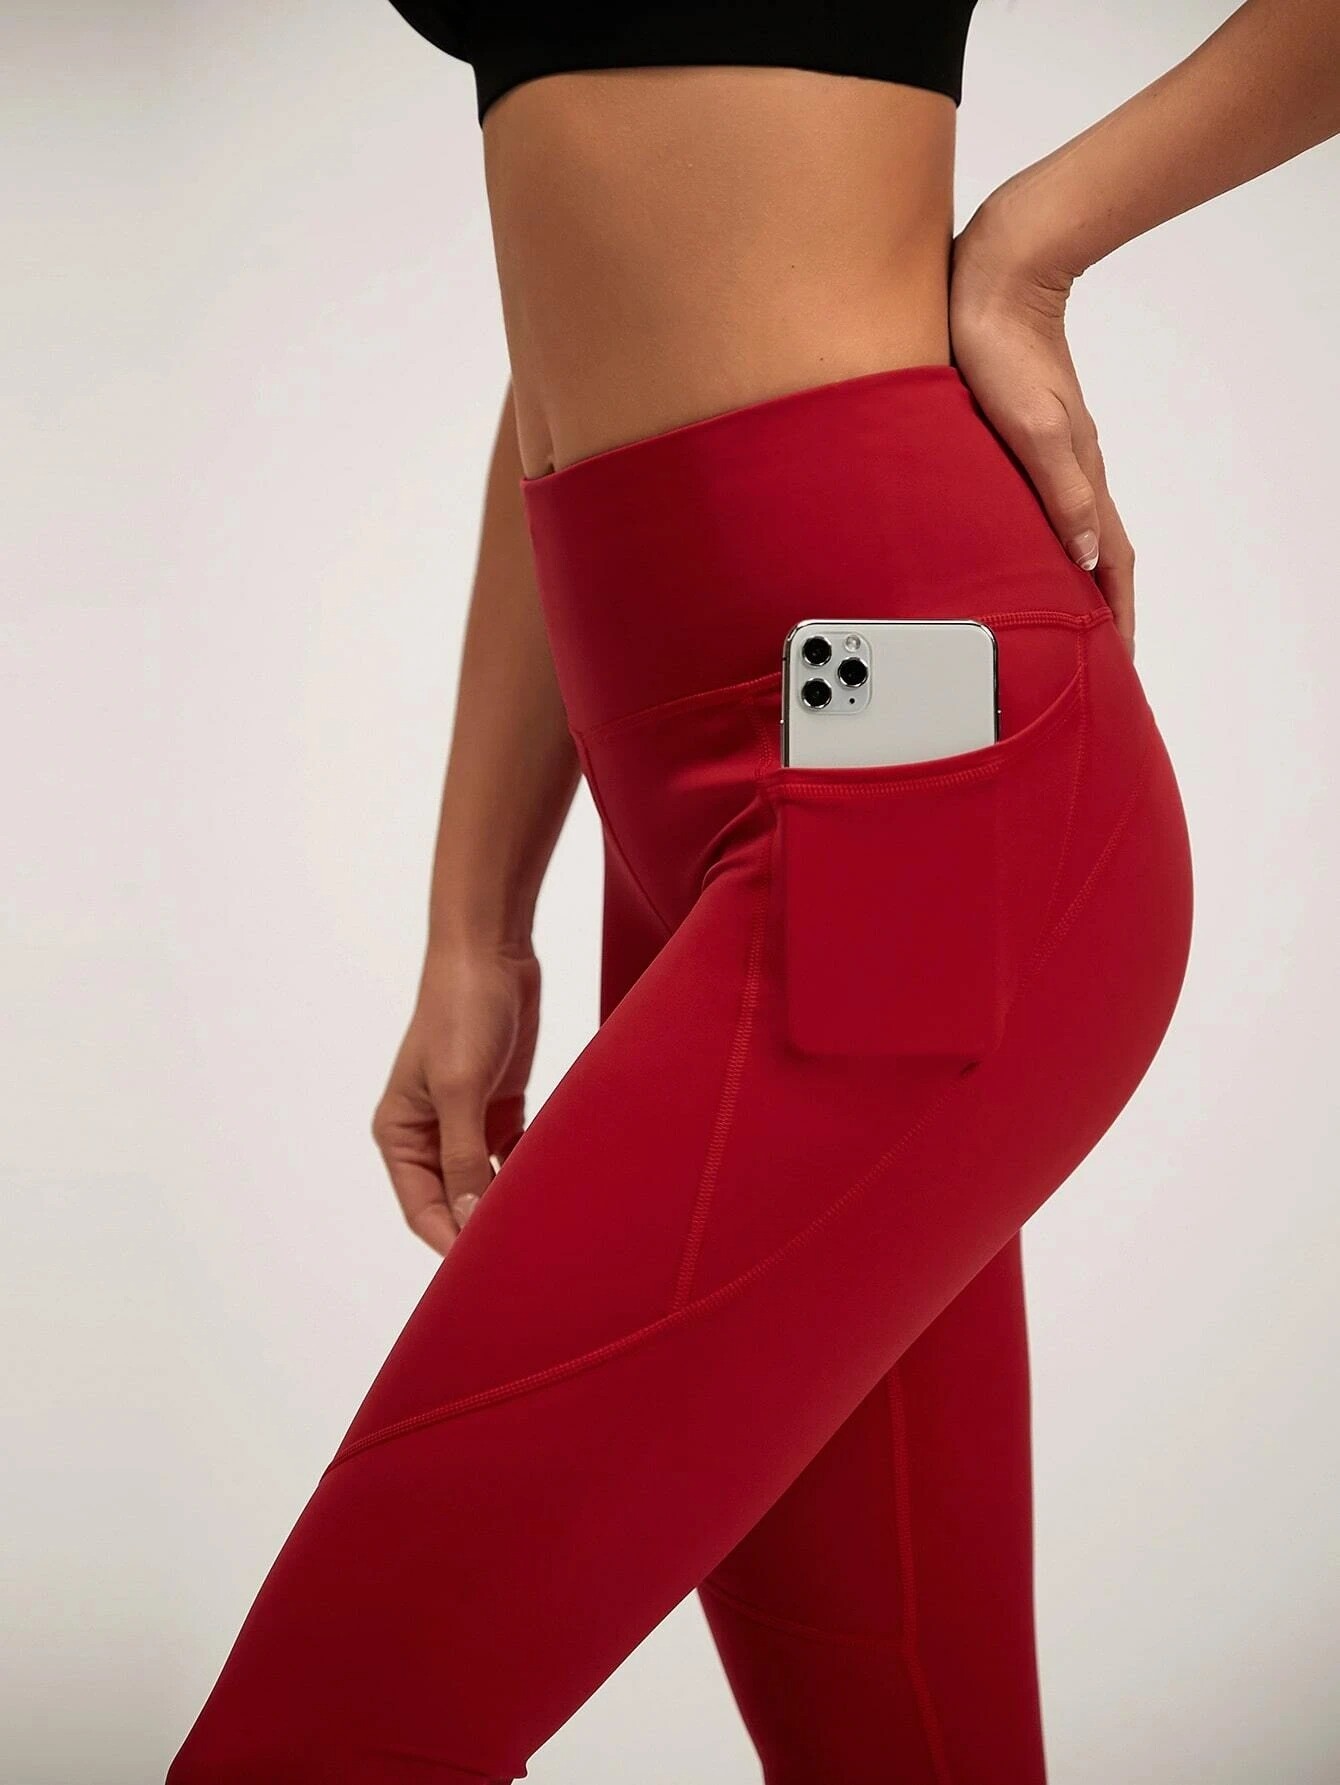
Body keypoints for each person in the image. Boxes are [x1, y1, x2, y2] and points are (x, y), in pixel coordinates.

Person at [167, 5, 1340, 1781]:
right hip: (717, 810)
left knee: (318, 1736)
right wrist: (475, 918)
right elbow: (573, 350)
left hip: (912, 757)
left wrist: (1029, 248)